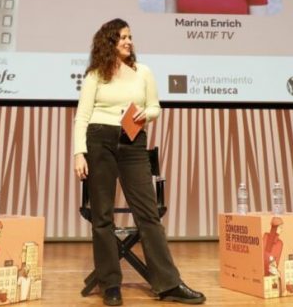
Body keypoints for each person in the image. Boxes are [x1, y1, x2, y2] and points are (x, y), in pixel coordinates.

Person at [73, 19, 205, 305]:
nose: (128, 41)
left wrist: (147, 114)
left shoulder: (143, 72)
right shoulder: (96, 74)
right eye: (122, 37)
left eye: (130, 37)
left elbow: (155, 106)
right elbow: (82, 116)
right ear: (109, 42)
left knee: (148, 214)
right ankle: (110, 285)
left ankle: (169, 284)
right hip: (99, 140)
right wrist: (78, 153)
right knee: (103, 217)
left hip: (133, 142)